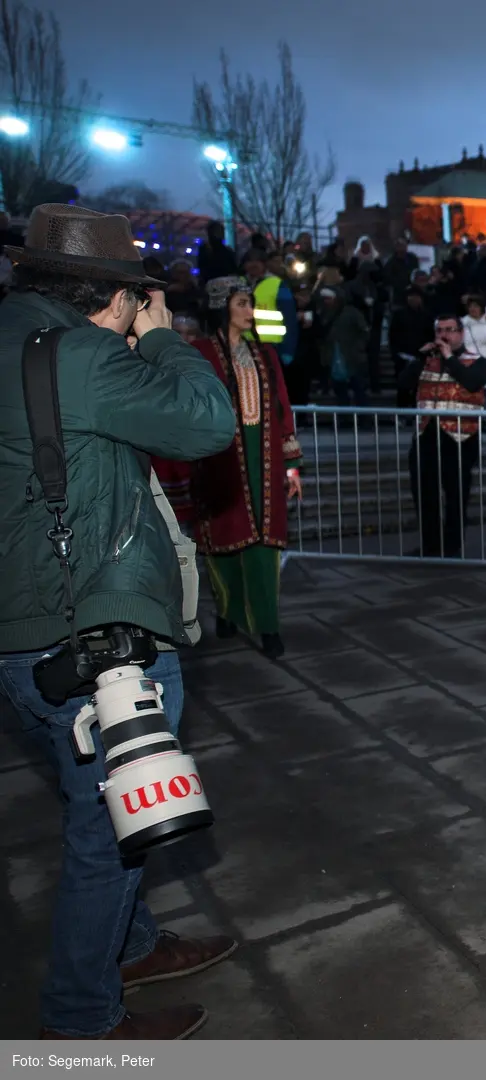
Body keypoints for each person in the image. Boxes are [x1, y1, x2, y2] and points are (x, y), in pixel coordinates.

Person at [0, 203, 239, 1039]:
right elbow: (209, 422)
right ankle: (81, 1024)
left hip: (21, 629)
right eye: (139, 296)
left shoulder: (14, 338)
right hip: (92, 631)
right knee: (111, 831)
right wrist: (167, 339)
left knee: (96, 801)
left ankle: (129, 946)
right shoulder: (81, 353)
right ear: (111, 298)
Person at [189, 277, 303, 661]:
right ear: (223, 308)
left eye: (250, 303)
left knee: (265, 545)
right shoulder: (201, 352)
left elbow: (282, 406)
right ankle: (226, 610)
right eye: (242, 303)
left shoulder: (265, 354)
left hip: (265, 459)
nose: (249, 311)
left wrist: (291, 466)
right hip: (221, 461)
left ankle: (269, 626)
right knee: (222, 543)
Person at [396, 315, 486, 558]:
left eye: (450, 330)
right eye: (440, 330)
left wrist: (449, 357)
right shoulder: (426, 361)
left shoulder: (477, 361)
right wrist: (419, 358)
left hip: (460, 437)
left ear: (461, 333)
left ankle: (452, 545)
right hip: (426, 433)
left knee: (456, 493)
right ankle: (429, 544)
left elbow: (471, 383)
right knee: (424, 491)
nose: (444, 335)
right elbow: (403, 383)